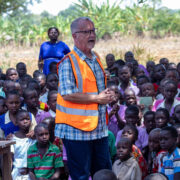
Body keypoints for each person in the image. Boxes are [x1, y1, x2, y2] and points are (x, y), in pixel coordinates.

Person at [55, 17, 115, 180]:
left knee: (103, 173)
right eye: (86, 31)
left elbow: (96, 89)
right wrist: (97, 98)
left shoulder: (95, 58)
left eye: (93, 31)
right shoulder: (69, 62)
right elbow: (67, 93)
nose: (92, 35)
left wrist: (108, 95)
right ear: (75, 36)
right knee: (81, 175)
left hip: (99, 128)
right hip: (77, 131)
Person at [11, 109, 36, 180]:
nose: (25, 121)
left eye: (27, 119)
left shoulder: (34, 138)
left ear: (30, 121)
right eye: (22, 120)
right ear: (16, 122)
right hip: (17, 173)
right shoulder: (13, 139)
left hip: (32, 172)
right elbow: (10, 158)